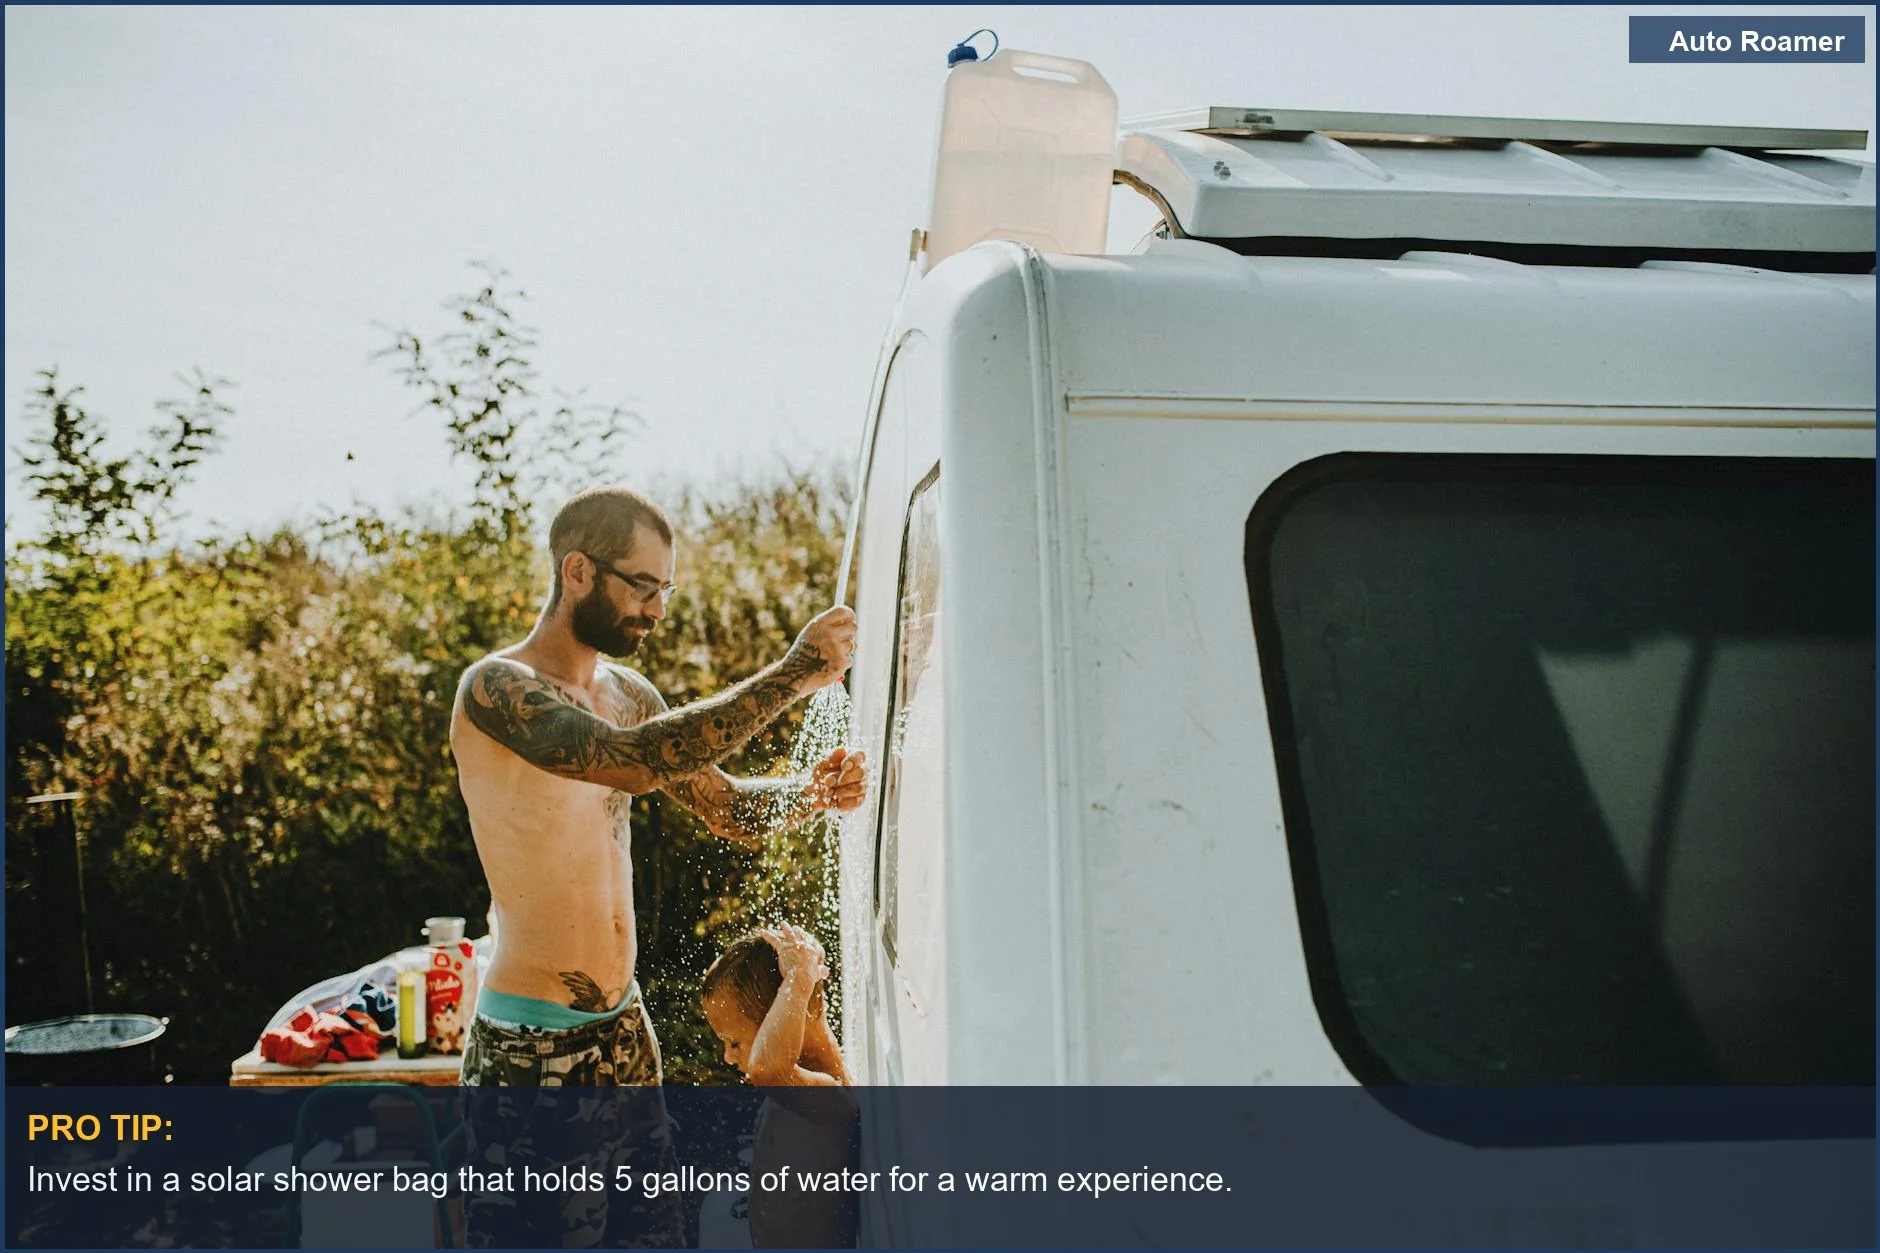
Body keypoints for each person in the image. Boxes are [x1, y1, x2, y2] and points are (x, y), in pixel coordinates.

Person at [449, 485, 868, 1248]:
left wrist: (812, 793)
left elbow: (730, 810)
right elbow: (635, 764)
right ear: (577, 570)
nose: (658, 609)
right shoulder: (495, 689)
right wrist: (791, 673)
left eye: (665, 589)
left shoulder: (628, 693)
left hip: (626, 1029)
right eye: (644, 587)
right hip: (534, 1048)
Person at [701, 924, 858, 1249]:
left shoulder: (827, 1095)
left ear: (782, 1020)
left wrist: (799, 979)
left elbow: (766, 1068)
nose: (727, 1057)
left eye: (734, 1042)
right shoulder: (797, 1080)